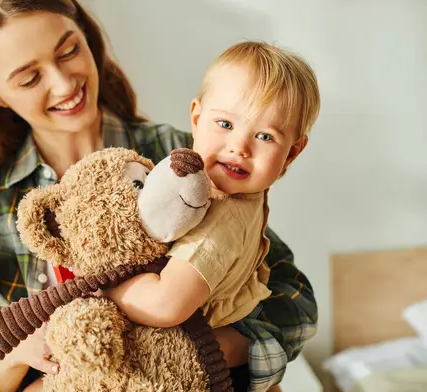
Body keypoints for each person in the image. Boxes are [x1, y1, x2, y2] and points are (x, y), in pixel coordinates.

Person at [0, 1, 318, 392]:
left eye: (69, 51)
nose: (65, 84)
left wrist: (203, 350)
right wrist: (19, 352)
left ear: (88, 39)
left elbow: (294, 299)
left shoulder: (180, 158)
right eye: (30, 78)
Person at [104, 40, 320, 351]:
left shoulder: (223, 218)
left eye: (265, 136)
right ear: (196, 118)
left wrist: (100, 284)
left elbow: (165, 306)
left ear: (292, 153)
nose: (240, 147)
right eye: (225, 124)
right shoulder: (212, 189)